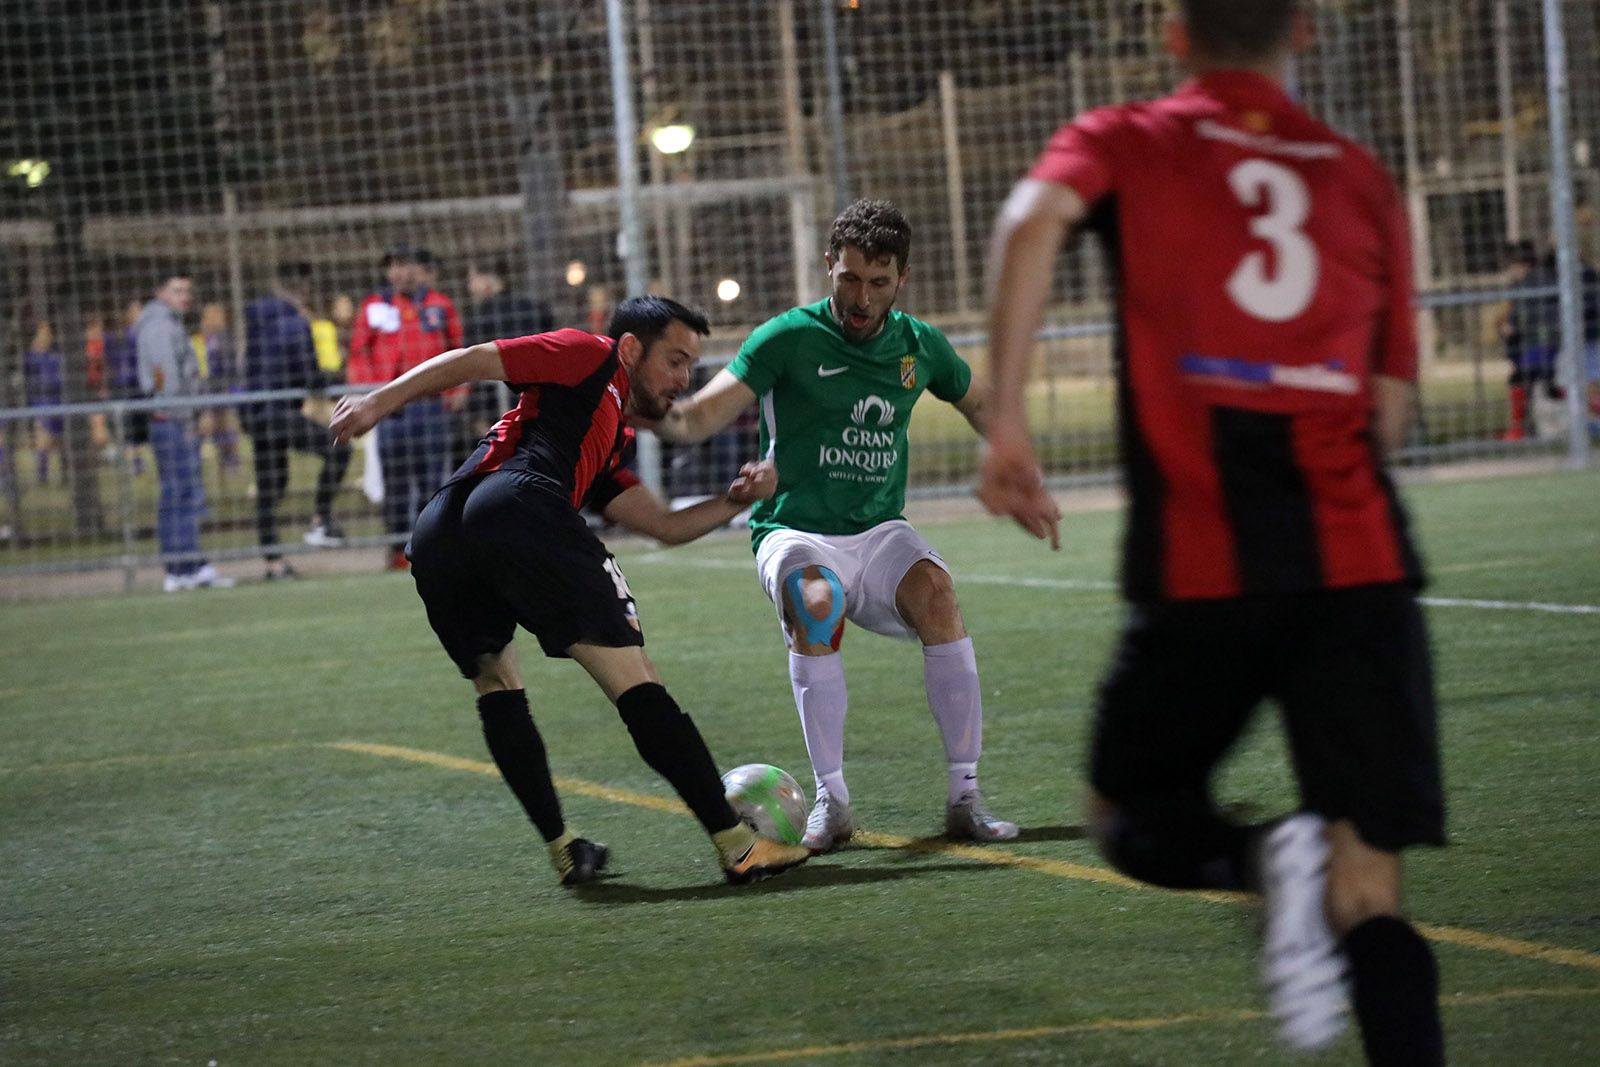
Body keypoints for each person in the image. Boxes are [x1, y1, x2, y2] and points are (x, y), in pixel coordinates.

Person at [978, 3, 1444, 1064]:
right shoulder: (1361, 177)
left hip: (1207, 561)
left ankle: (1259, 858)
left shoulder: (1128, 140)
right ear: (1306, 29)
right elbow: (1387, 412)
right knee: (1369, 888)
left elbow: (1031, 220)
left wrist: (1006, 420)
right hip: (1360, 564)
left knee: (1126, 810)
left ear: (1174, 31)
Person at [329, 295, 812, 887]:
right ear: (630, 348)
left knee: (497, 682)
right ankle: (739, 845)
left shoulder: (598, 434)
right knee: (637, 679)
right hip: (518, 504)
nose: (683, 380)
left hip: (441, 533)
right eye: (675, 361)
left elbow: (663, 525)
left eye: (690, 366)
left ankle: (565, 849)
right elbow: (477, 358)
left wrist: (737, 501)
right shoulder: (589, 355)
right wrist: (377, 402)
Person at [652, 198, 1027, 852]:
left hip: (879, 532)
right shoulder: (787, 338)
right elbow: (696, 418)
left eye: (878, 282)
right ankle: (833, 802)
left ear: (902, 278)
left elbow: (980, 404)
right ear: (829, 264)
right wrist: (637, 403)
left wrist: (1020, 464)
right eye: (849, 278)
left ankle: (965, 797)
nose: (861, 297)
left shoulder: (920, 345)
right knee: (815, 600)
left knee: (939, 596)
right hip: (794, 529)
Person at [348, 242, 465, 570]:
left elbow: (458, 348)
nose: (399, 272)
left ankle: (431, 546)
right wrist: (371, 393)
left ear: (419, 268)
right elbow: (358, 353)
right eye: (394, 265)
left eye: (405, 264)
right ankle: (399, 550)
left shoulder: (440, 305)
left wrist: (458, 388)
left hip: (431, 405)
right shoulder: (375, 306)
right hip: (391, 407)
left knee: (434, 479)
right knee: (396, 479)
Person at [243, 261, 354, 579]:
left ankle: (273, 561)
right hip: (280, 411)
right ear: (304, 288)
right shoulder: (294, 323)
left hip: (256, 411)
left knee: (271, 484)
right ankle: (320, 519)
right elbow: (306, 374)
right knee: (339, 449)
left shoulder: (256, 319)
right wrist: (335, 380)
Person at [135, 272, 233, 591]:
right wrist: (185, 419)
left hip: (173, 420)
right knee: (178, 495)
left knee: (184, 494)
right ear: (160, 292)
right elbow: (166, 380)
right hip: (172, 422)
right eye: (177, 290)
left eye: (187, 291)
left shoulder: (168, 324)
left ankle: (190, 563)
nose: (185, 297)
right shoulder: (159, 327)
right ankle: (180, 568)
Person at [459, 259, 554, 460]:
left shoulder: (478, 317)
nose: (470, 287)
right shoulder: (535, 309)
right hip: (538, 403)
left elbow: (474, 366)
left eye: (472, 280)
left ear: (486, 280)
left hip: (494, 409)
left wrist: (476, 416)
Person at [22, 322, 65, 486]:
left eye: (48, 333)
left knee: (60, 440)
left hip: (58, 402)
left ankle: (65, 475)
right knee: (43, 438)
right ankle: (42, 476)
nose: (46, 337)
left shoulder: (55, 356)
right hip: (41, 403)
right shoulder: (31, 357)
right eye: (43, 333)